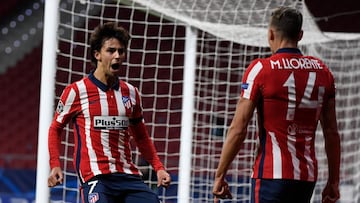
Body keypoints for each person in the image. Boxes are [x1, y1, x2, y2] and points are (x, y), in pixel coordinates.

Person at [212, 6, 340, 203]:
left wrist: (220, 174)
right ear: (300, 35)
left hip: (271, 175)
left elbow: (238, 128)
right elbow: (331, 132)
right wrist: (333, 181)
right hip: (306, 178)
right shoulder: (323, 72)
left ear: (270, 34)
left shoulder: (261, 69)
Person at [47, 22, 171, 203]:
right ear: (97, 54)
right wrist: (55, 165)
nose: (117, 56)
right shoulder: (76, 91)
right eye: (111, 51)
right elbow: (55, 128)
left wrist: (158, 168)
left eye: (121, 51)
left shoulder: (131, 93)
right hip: (96, 177)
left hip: (127, 175)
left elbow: (141, 137)